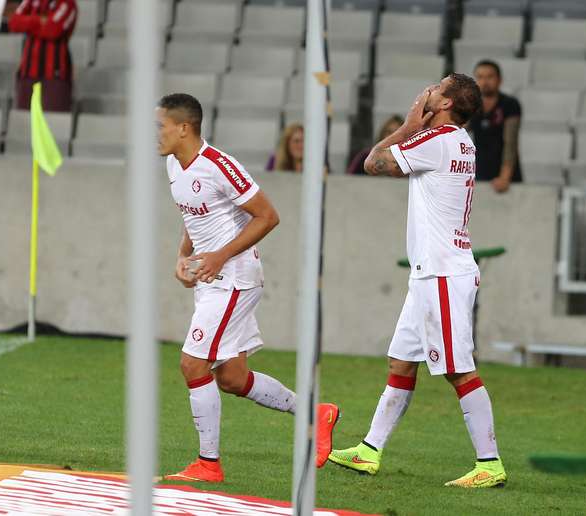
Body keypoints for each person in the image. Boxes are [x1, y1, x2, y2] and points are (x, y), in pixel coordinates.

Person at [326, 74, 507, 488]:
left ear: (443, 104)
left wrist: (408, 125)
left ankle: (489, 463)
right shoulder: (461, 141)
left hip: (442, 272)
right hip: (432, 271)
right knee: (401, 362)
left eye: (436, 87)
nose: (427, 89)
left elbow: (372, 163)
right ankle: (369, 450)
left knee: (458, 370)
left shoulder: (436, 140)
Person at [157, 93, 339, 482]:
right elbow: (194, 218)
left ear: (184, 127)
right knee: (233, 378)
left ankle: (208, 465)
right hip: (211, 280)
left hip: (235, 278)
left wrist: (220, 256)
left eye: (161, 126)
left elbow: (268, 216)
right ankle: (315, 412)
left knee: (192, 363)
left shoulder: (219, 166)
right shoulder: (173, 165)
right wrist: (181, 257)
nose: (155, 134)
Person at [8, 0, 78, 111]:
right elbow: (13, 23)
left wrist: (28, 22)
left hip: (55, 76)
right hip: (26, 73)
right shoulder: (30, 1)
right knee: (22, 123)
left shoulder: (67, 3)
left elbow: (53, 29)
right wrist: (40, 20)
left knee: (53, 123)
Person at [468, 60, 522, 192]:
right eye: (480, 77)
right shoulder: (471, 106)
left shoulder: (510, 104)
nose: (485, 82)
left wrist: (505, 177)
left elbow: (510, 143)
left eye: (489, 77)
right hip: (479, 171)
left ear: (499, 80)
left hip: (507, 175)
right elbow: (457, 131)